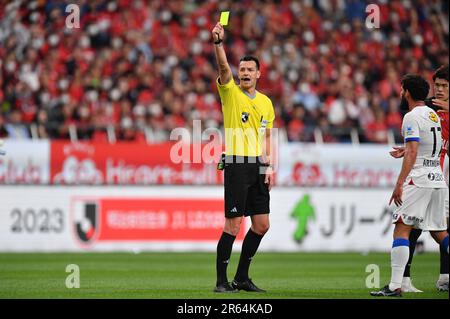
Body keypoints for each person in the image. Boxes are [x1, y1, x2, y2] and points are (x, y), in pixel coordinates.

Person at [371, 74, 449, 297]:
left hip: (420, 177)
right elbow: (434, 145)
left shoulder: (411, 117)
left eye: (402, 89)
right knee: (440, 233)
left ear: (407, 92)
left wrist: (400, 183)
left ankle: (395, 285)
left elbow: (414, 151)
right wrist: (408, 149)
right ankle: (398, 284)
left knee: (402, 229)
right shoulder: (433, 114)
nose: (400, 93)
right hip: (437, 177)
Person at [211, 22, 275, 293]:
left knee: (261, 224)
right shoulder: (231, 92)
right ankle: (221, 281)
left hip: (258, 165)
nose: (245, 73)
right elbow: (223, 68)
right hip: (237, 162)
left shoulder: (266, 102)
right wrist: (218, 44)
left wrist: (269, 166)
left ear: (259, 74)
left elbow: (267, 136)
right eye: (243, 69)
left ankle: (242, 278)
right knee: (234, 224)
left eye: (250, 70)